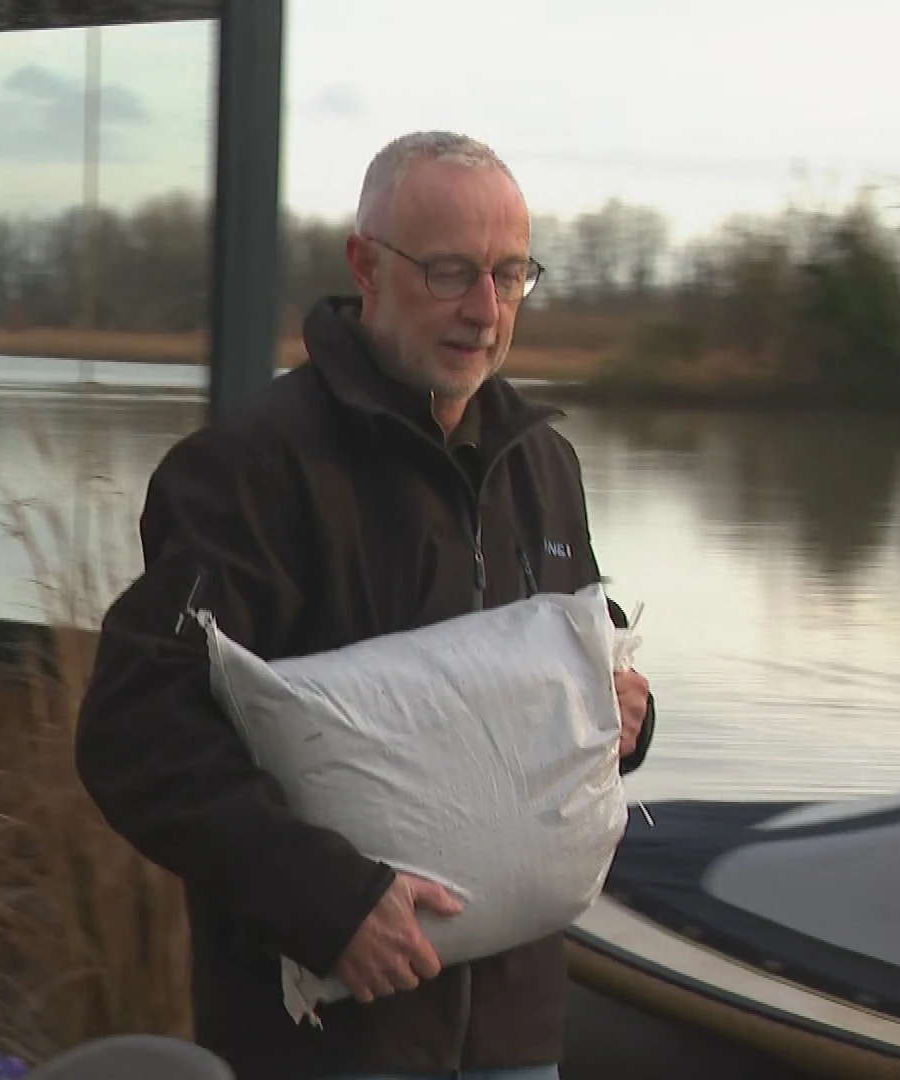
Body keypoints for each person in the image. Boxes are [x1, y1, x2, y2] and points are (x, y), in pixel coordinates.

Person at [76, 131, 655, 1080]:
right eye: (449, 273)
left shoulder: (543, 462)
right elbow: (136, 731)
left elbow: (586, 660)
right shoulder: (250, 470)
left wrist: (624, 715)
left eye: (511, 276)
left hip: (515, 1031)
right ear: (366, 267)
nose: (484, 310)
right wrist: (329, 904)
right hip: (331, 1041)